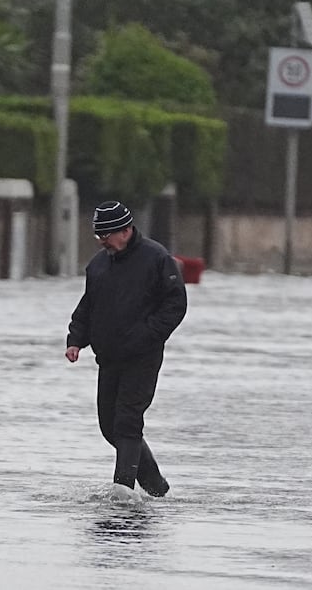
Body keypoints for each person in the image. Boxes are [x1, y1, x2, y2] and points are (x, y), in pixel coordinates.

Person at [65, 200, 188, 500]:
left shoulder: (157, 258)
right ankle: (156, 486)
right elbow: (88, 306)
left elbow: (176, 304)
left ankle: (123, 491)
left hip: (143, 357)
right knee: (109, 427)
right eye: (98, 236)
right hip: (109, 358)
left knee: (128, 423)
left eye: (105, 235)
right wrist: (76, 339)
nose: (101, 241)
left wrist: (147, 335)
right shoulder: (98, 265)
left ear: (125, 230)